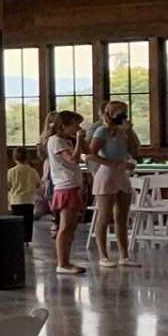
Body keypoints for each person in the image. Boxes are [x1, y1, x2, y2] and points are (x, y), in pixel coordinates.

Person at [87, 99, 141, 267]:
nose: (123, 117)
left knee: (122, 217)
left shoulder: (123, 132)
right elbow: (91, 154)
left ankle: (124, 255)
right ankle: (103, 255)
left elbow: (133, 151)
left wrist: (129, 132)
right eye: (119, 113)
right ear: (110, 114)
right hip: (107, 173)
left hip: (122, 174)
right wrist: (114, 164)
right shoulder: (102, 131)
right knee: (105, 216)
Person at [45, 110, 88, 274]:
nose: (77, 127)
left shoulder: (65, 141)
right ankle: (62, 263)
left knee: (71, 226)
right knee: (65, 226)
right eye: (75, 125)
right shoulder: (56, 141)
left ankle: (66, 260)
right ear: (64, 126)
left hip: (71, 185)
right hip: (65, 185)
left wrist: (81, 140)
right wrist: (78, 140)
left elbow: (88, 151)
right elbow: (73, 159)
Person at [7, 147, 41, 246]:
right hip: (29, 200)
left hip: (16, 200)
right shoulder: (32, 170)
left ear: (14, 158)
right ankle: (26, 240)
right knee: (28, 221)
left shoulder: (11, 171)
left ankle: (17, 238)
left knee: (17, 221)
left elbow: (8, 185)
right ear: (28, 157)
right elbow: (38, 184)